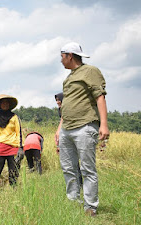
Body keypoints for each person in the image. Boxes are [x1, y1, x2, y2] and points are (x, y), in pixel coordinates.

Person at [55, 42, 109, 217]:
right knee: (68, 168)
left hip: (85, 126)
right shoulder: (69, 78)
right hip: (67, 129)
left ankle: (90, 207)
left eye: (62, 56)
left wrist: (104, 124)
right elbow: (67, 105)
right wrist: (59, 129)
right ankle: (73, 201)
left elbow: (99, 97)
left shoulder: (90, 71)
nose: (61, 60)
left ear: (70, 55)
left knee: (87, 169)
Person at [0, 94, 23, 190]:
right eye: (3, 103)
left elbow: (19, 132)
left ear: (9, 105)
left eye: (7, 103)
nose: (5, 104)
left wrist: (21, 148)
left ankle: (14, 189)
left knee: (14, 170)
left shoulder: (14, 117)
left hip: (13, 147)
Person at [55, 92, 83, 187]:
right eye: (56, 100)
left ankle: (79, 184)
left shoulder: (67, 109)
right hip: (66, 136)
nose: (58, 102)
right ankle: (77, 185)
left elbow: (62, 125)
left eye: (59, 100)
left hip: (72, 136)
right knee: (71, 163)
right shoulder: (60, 109)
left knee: (75, 163)